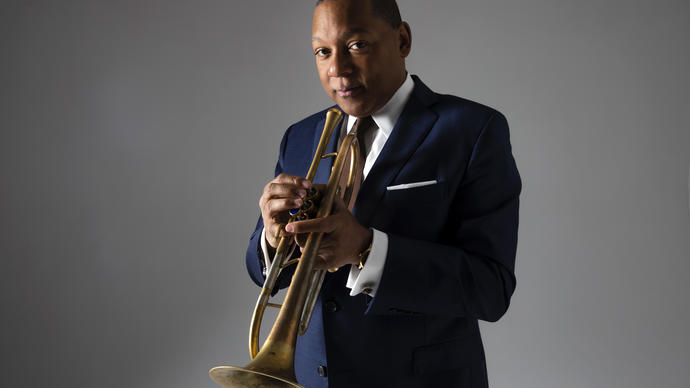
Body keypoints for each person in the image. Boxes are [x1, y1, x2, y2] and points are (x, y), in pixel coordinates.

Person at [245, 0, 521, 386]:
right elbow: (264, 272)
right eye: (322, 52)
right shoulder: (301, 136)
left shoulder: (473, 130)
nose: (337, 69)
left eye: (357, 45)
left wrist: (366, 249)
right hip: (309, 378)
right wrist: (273, 241)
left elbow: (490, 289)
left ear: (402, 40)